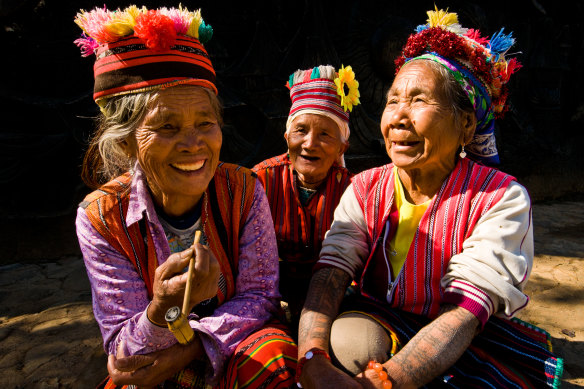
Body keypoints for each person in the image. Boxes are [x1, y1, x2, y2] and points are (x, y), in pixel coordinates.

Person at [296, 8, 564, 389]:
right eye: (393, 101)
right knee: (347, 342)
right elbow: (331, 273)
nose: (399, 118)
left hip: (463, 336)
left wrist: (381, 383)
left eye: (419, 100)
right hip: (381, 321)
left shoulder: (501, 198)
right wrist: (311, 359)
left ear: (466, 125)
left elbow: (463, 315)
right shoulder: (365, 187)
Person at [74, 5, 295, 388]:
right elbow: (126, 352)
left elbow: (260, 298)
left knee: (272, 357)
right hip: (155, 362)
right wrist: (163, 309)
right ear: (127, 142)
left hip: (234, 346)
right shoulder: (101, 217)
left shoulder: (243, 191)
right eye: (167, 126)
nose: (193, 145)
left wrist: (193, 346)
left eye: (205, 123)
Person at [251, 65, 357, 328]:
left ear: (342, 146)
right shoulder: (261, 181)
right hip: (271, 292)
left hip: (332, 294)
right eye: (301, 131)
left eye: (325, 134)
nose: (310, 143)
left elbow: (358, 264)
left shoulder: (353, 191)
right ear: (287, 137)